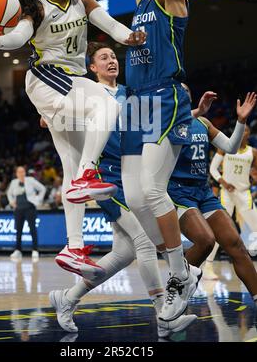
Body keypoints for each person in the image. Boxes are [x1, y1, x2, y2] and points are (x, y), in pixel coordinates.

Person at [0, 0, 146, 277]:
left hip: (68, 83)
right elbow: (18, 37)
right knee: (107, 104)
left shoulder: (83, 0)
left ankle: (74, 246)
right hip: (48, 78)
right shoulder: (38, 7)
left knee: (70, 161)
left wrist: (130, 37)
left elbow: (109, 25)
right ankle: (88, 175)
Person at [48, 43, 197, 337]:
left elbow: (151, 124)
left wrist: (189, 110)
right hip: (103, 175)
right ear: (92, 67)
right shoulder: (86, 93)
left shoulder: (129, 93)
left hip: (129, 170)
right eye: (103, 58)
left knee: (124, 251)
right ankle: (163, 316)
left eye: (114, 57)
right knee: (143, 241)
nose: (111, 61)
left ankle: (67, 298)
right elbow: (52, 116)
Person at [108, 0, 199, 322]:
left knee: (152, 191)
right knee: (139, 197)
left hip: (165, 97)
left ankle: (180, 274)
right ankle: (179, 270)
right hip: (139, 100)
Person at [167, 86, 257, 307]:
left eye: (187, 89)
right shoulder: (166, 123)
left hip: (203, 192)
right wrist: (195, 112)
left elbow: (231, 147)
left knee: (235, 244)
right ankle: (173, 289)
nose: (184, 91)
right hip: (178, 192)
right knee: (206, 241)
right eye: (179, 89)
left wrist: (241, 121)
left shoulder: (204, 123)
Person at [206, 124, 257, 277]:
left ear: (249, 134)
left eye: (247, 130)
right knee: (218, 231)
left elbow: (255, 172)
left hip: (243, 194)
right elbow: (213, 169)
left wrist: (254, 179)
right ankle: (208, 266)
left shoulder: (253, 152)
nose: (244, 132)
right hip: (226, 194)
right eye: (242, 129)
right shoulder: (225, 148)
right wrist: (223, 182)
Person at [7, 166, 46, 262]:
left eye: (22, 171)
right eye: (19, 172)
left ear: (25, 172)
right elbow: (9, 193)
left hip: (30, 208)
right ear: (16, 173)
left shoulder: (31, 180)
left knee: (32, 229)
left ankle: (35, 250)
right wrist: (11, 202)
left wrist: (38, 199)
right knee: (18, 231)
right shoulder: (13, 182)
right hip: (18, 209)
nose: (21, 173)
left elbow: (42, 189)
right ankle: (18, 250)